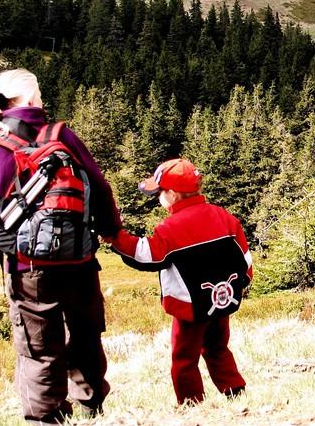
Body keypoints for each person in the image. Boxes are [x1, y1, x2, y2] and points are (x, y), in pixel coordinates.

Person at [0, 68, 121, 426]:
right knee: (85, 337)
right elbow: (100, 186)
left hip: (26, 268)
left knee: (39, 350)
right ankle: (94, 412)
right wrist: (110, 231)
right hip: (79, 260)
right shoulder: (62, 135)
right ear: (33, 99)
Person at [105, 158, 252, 405]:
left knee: (184, 356)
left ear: (172, 194)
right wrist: (239, 286)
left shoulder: (171, 228)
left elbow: (146, 255)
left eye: (159, 192)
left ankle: (191, 402)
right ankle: (235, 391)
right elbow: (245, 260)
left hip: (189, 308)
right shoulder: (224, 217)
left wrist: (115, 238)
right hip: (222, 299)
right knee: (218, 347)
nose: (158, 197)